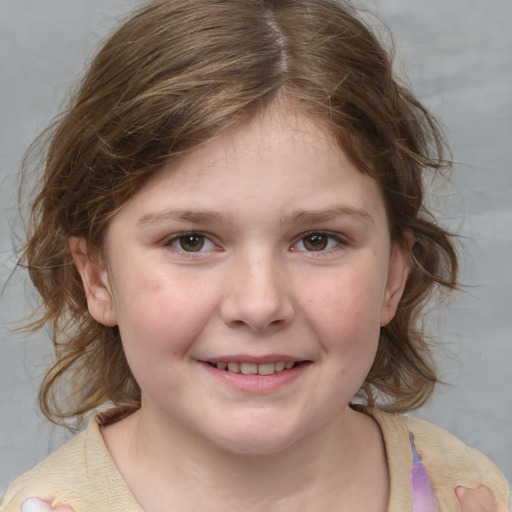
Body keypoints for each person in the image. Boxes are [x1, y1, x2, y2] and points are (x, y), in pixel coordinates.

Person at [1, 0, 509, 511]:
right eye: (191, 241)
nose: (260, 304)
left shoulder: (469, 489)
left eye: (318, 240)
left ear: (393, 278)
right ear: (98, 278)